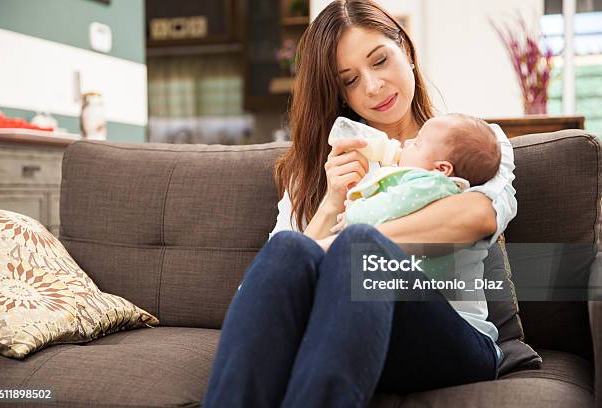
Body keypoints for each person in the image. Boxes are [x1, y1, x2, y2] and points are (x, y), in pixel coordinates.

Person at [202, 1, 517, 407]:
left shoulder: (470, 141)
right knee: (288, 248)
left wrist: (345, 245)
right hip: (340, 332)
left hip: (450, 335)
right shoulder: (317, 171)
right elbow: (261, 293)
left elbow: (478, 215)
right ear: (340, 95)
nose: (372, 87)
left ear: (405, 47)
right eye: (349, 80)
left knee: (360, 250)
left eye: (381, 60)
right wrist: (332, 203)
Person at [335, 113, 501, 229]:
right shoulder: (429, 185)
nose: (407, 142)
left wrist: (353, 214)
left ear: (441, 169)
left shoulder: (431, 185)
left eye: (417, 144)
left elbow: (389, 205)